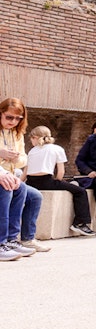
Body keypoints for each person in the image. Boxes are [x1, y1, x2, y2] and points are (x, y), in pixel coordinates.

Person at [25, 126, 96, 237]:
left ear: (34, 137)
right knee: (80, 191)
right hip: (47, 181)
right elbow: (61, 172)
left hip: (30, 182)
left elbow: (26, 171)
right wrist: (59, 182)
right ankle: (80, 223)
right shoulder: (57, 149)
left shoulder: (32, 151)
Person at [0, 98, 45, 259]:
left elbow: (23, 160)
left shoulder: (17, 133)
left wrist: (14, 159)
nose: (13, 121)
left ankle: (19, 239)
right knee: (7, 189)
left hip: (10, 175)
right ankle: (1, 242)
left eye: (18, 118)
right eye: (9, 117)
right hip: (2, 176)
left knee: (33, 195)